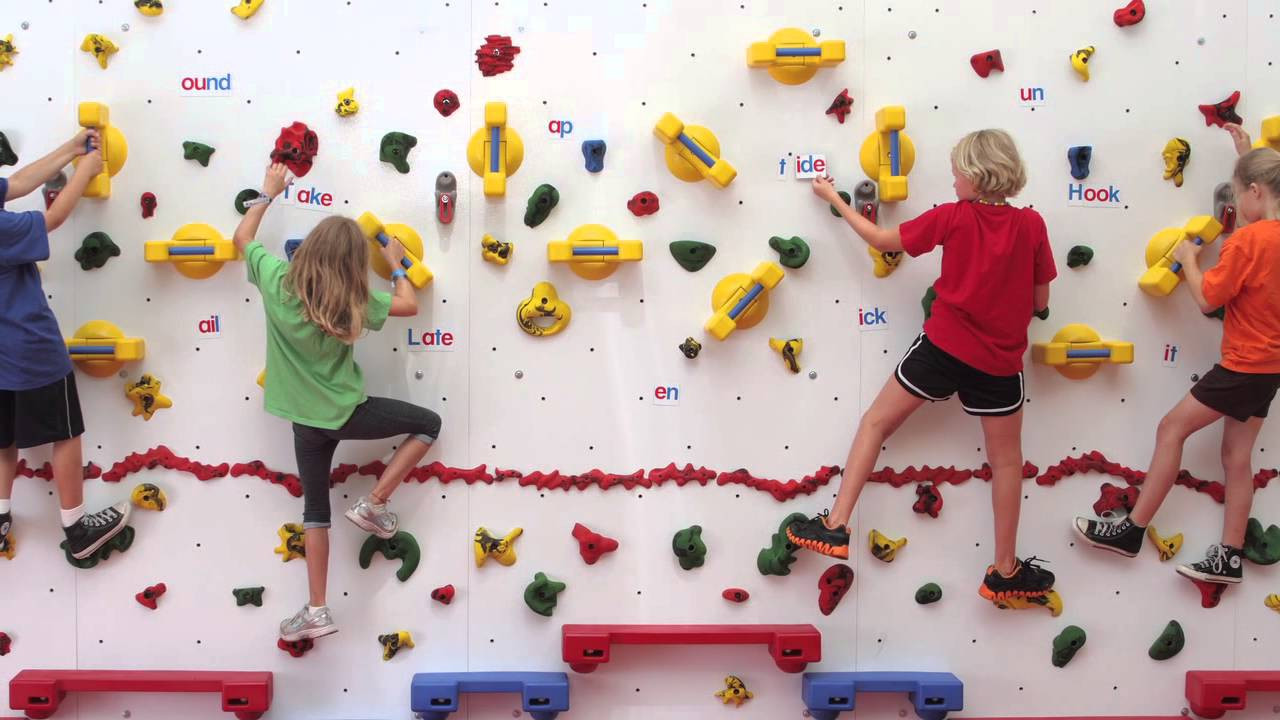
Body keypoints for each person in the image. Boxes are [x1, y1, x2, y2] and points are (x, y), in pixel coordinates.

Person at [791, 129, 1059, 602]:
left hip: (944, 349)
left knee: (875, 423)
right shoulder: (1032, 225)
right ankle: (1003, 572)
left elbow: (879, 238)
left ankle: (834, 526)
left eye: (957, 171)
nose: (952, 179)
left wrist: (832, 195)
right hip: (999, 362)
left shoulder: (953, 218)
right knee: (1007, 463)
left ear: (976, 176)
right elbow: (1041, 301)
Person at [234, 164, 442, 640]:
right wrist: (395, 264)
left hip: (303, 421)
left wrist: (266, 193)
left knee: (315, 513)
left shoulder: (277, 280)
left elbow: (242, 239)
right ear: (351, 262)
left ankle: (317, 609)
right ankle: (374, 503)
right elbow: (408, 304)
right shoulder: (353, 299)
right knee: (428, 422)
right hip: (347, 413)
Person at [1076, 138, 1280, 585]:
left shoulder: (1247, 241)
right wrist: (1245, 151)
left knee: (1171, 428)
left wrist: (1189, 260)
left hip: (1243, 365)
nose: (1236, 204)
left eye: (1237, 192)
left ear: (1256, 191)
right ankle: (1229, 556)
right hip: (1270, 370)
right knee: (1237, 457)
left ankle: (1131, 531)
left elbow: (1208, 298)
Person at [1, 130, 133, 561]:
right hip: (29, 345)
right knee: (66, 430)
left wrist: (70, 151)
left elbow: (17, 184)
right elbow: (52, 220)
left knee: (3, 440)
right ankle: (76, 529)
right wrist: (87, 170)